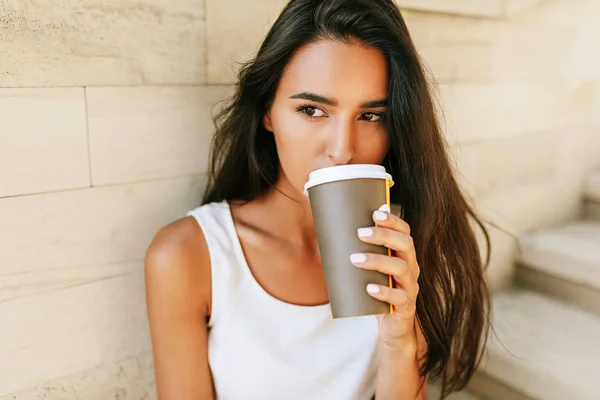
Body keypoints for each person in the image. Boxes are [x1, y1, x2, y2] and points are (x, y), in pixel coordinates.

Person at [144, 0, 491, 399]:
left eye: (371, 116)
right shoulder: (188, 256)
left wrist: (401, 341)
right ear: (267, 111)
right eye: (312, 109)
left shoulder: (401, 247)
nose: (343, 150)